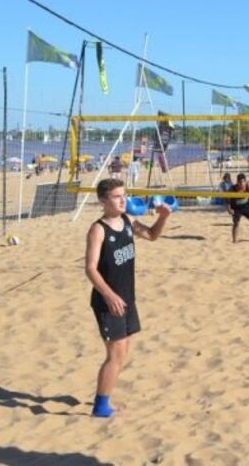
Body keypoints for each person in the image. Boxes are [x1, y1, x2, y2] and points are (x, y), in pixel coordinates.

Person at [84, 178, 171, 418]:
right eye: (116, 196)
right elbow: (90, 268)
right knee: (115, 355)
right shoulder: (98, 229)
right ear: (103, 201)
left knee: (122, 354)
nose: (123, 199)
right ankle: (100, 407)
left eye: (124, 195)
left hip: (127, 297)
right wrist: (109, 295)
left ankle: (104, 398)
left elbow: (152, 235)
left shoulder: (127, 220)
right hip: (108, 301)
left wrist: (163, 217)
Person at [227, 173, 249, 243]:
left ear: (245, 181)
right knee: (236, 223)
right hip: (236, 207)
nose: (242, 184)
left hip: (246, 205)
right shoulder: (232, 188)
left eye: (243, 182)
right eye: (240, 182)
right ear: (237, 182)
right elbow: (227, 200)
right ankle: (234, 240)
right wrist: (228, 208)